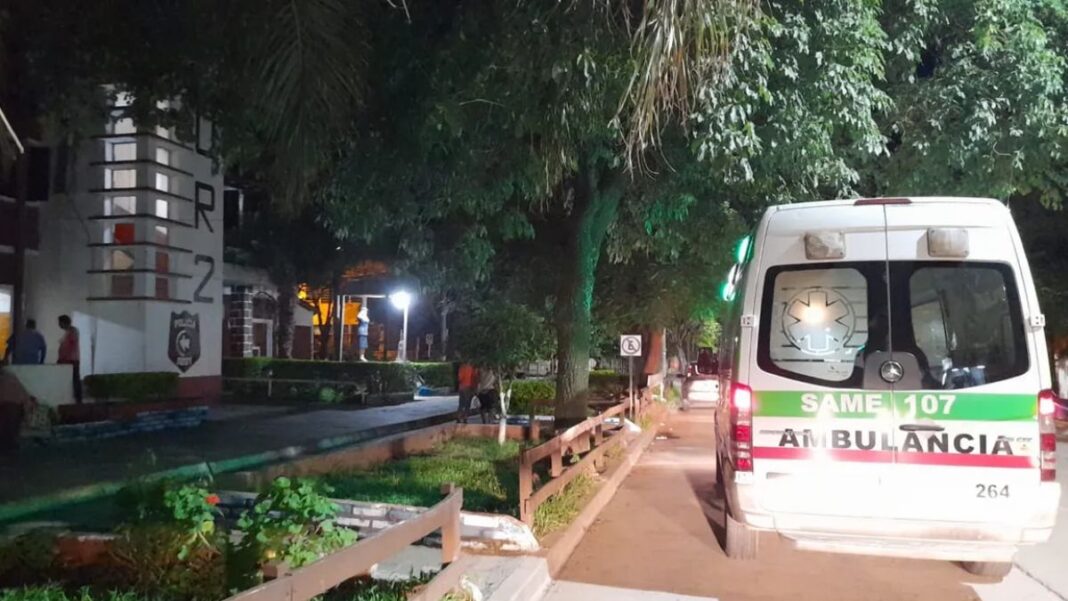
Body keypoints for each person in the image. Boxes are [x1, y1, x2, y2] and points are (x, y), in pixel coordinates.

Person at [57, 315, 82, 403]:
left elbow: (69, 346)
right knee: (71, 380)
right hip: (68, 360)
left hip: (71, 360)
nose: (59, 325)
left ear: (64, 323)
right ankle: (73, 398)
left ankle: (78, 400)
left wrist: (63, 358)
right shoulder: (69, 332)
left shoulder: (72, 331)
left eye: (60, 323)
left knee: (75, 380)